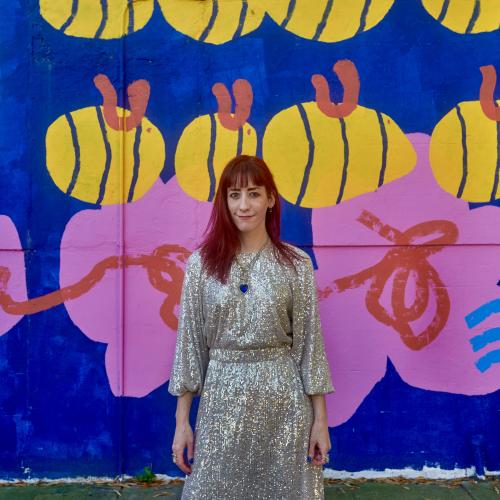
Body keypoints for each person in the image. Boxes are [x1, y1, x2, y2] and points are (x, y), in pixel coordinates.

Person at [168, 155, 334, 499]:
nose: (244, 205)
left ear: (270, 199)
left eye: (254, 194)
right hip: (220, 400)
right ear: (224, 202)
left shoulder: (296, 265)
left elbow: (309, 346)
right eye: (234, 195)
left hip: (283, 402)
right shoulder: (201, 265)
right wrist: (182, 423)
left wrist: (320, 422)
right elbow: (190, 346)